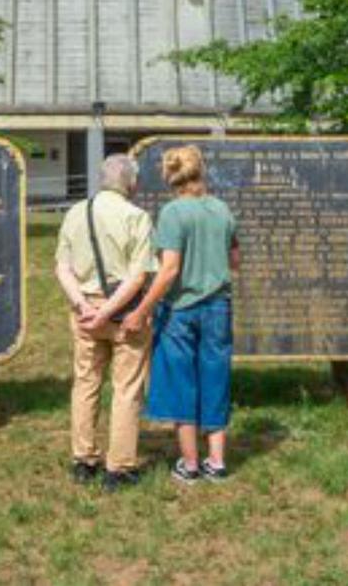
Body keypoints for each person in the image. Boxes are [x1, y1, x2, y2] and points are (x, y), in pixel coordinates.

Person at [124, 145, 239, 484]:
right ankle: (217, 462)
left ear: (170, 176)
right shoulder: (222, 209)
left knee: (180, 383)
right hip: (219, 307)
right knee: (215, 378)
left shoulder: (174, 213)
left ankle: (189, 465)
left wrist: (141, 310)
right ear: (201, 171)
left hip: (179, 312)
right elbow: (235, 262)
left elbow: (169, 269)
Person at [54, 153, 155, 491]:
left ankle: (84, 459)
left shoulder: (74, 212)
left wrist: (84, 305)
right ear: (131, 182)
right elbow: (138, 275)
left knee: (85, 382)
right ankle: (120, 467)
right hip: (125, 313)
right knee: (126, 389)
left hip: (84, 312)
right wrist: (107, 310)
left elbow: (62, 268)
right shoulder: (137, 217)